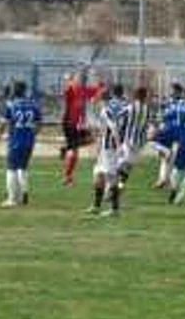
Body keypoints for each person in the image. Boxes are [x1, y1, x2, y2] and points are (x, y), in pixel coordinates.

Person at [0, 81, 42, 207]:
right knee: (23, 167)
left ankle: (11, 199)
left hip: (15, 140)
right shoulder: (33, 105)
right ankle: (25, 190)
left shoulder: (11, 105)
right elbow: (39, 124)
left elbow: (4, 123)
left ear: (14, 91)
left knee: (11, 169)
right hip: (29, 140)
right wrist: (33, 134)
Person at [86, 85, 127, 217]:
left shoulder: (107, 108)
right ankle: (96, 206)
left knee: (111, 176)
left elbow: (113, 127)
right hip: (108, 146)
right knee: (98, 174)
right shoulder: (125, 106)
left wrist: (119, 145)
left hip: (110, 147)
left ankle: (115, 209)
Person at [61, 71, 104, 187]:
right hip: (69, 122)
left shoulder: (84, 90)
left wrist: (97, 78)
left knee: (93, 139)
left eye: (82, 78)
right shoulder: (71, 88)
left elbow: (100, 91)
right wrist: (69, 79)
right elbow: (66, 88)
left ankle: (67, 148)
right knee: (74, 153)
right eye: (78, 78)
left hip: (78, 124)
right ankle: (67, 177)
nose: (80, 79)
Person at [116, 86, 153, 190]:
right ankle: (120, 184)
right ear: (144, 96)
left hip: (129, 139)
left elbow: (118, 115)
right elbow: (150, 123)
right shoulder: (147, 109)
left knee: (124, 162)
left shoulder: (131, 106)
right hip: (140, 141)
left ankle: (116, 178)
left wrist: (119, 126)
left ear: (136, 95)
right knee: (129, 164)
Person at [153, 83, 185, 189]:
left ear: (178, 92)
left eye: (173, 90)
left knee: (172, 158)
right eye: (171, 90)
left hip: (176, 132)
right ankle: (163, 180)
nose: (171, 92)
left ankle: (167, 181)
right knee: (166, 157)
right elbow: (162, 115)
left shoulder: (182, 103)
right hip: (166, 131)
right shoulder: (168, 102)